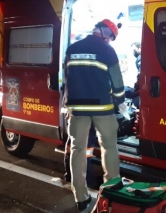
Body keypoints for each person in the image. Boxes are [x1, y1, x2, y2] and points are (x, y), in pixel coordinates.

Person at [63, 19, 128, 211]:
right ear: (103, 32)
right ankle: (111, 191)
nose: (109, 40)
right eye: (110, 36)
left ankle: (80, 197)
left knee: (78, 150)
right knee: (109, 147)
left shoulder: (72, 49)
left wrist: (69, 105)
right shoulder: (107, 50)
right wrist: (121, 101)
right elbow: (117, 80)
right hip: (102, 108)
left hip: (76, 109)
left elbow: (67, 78)